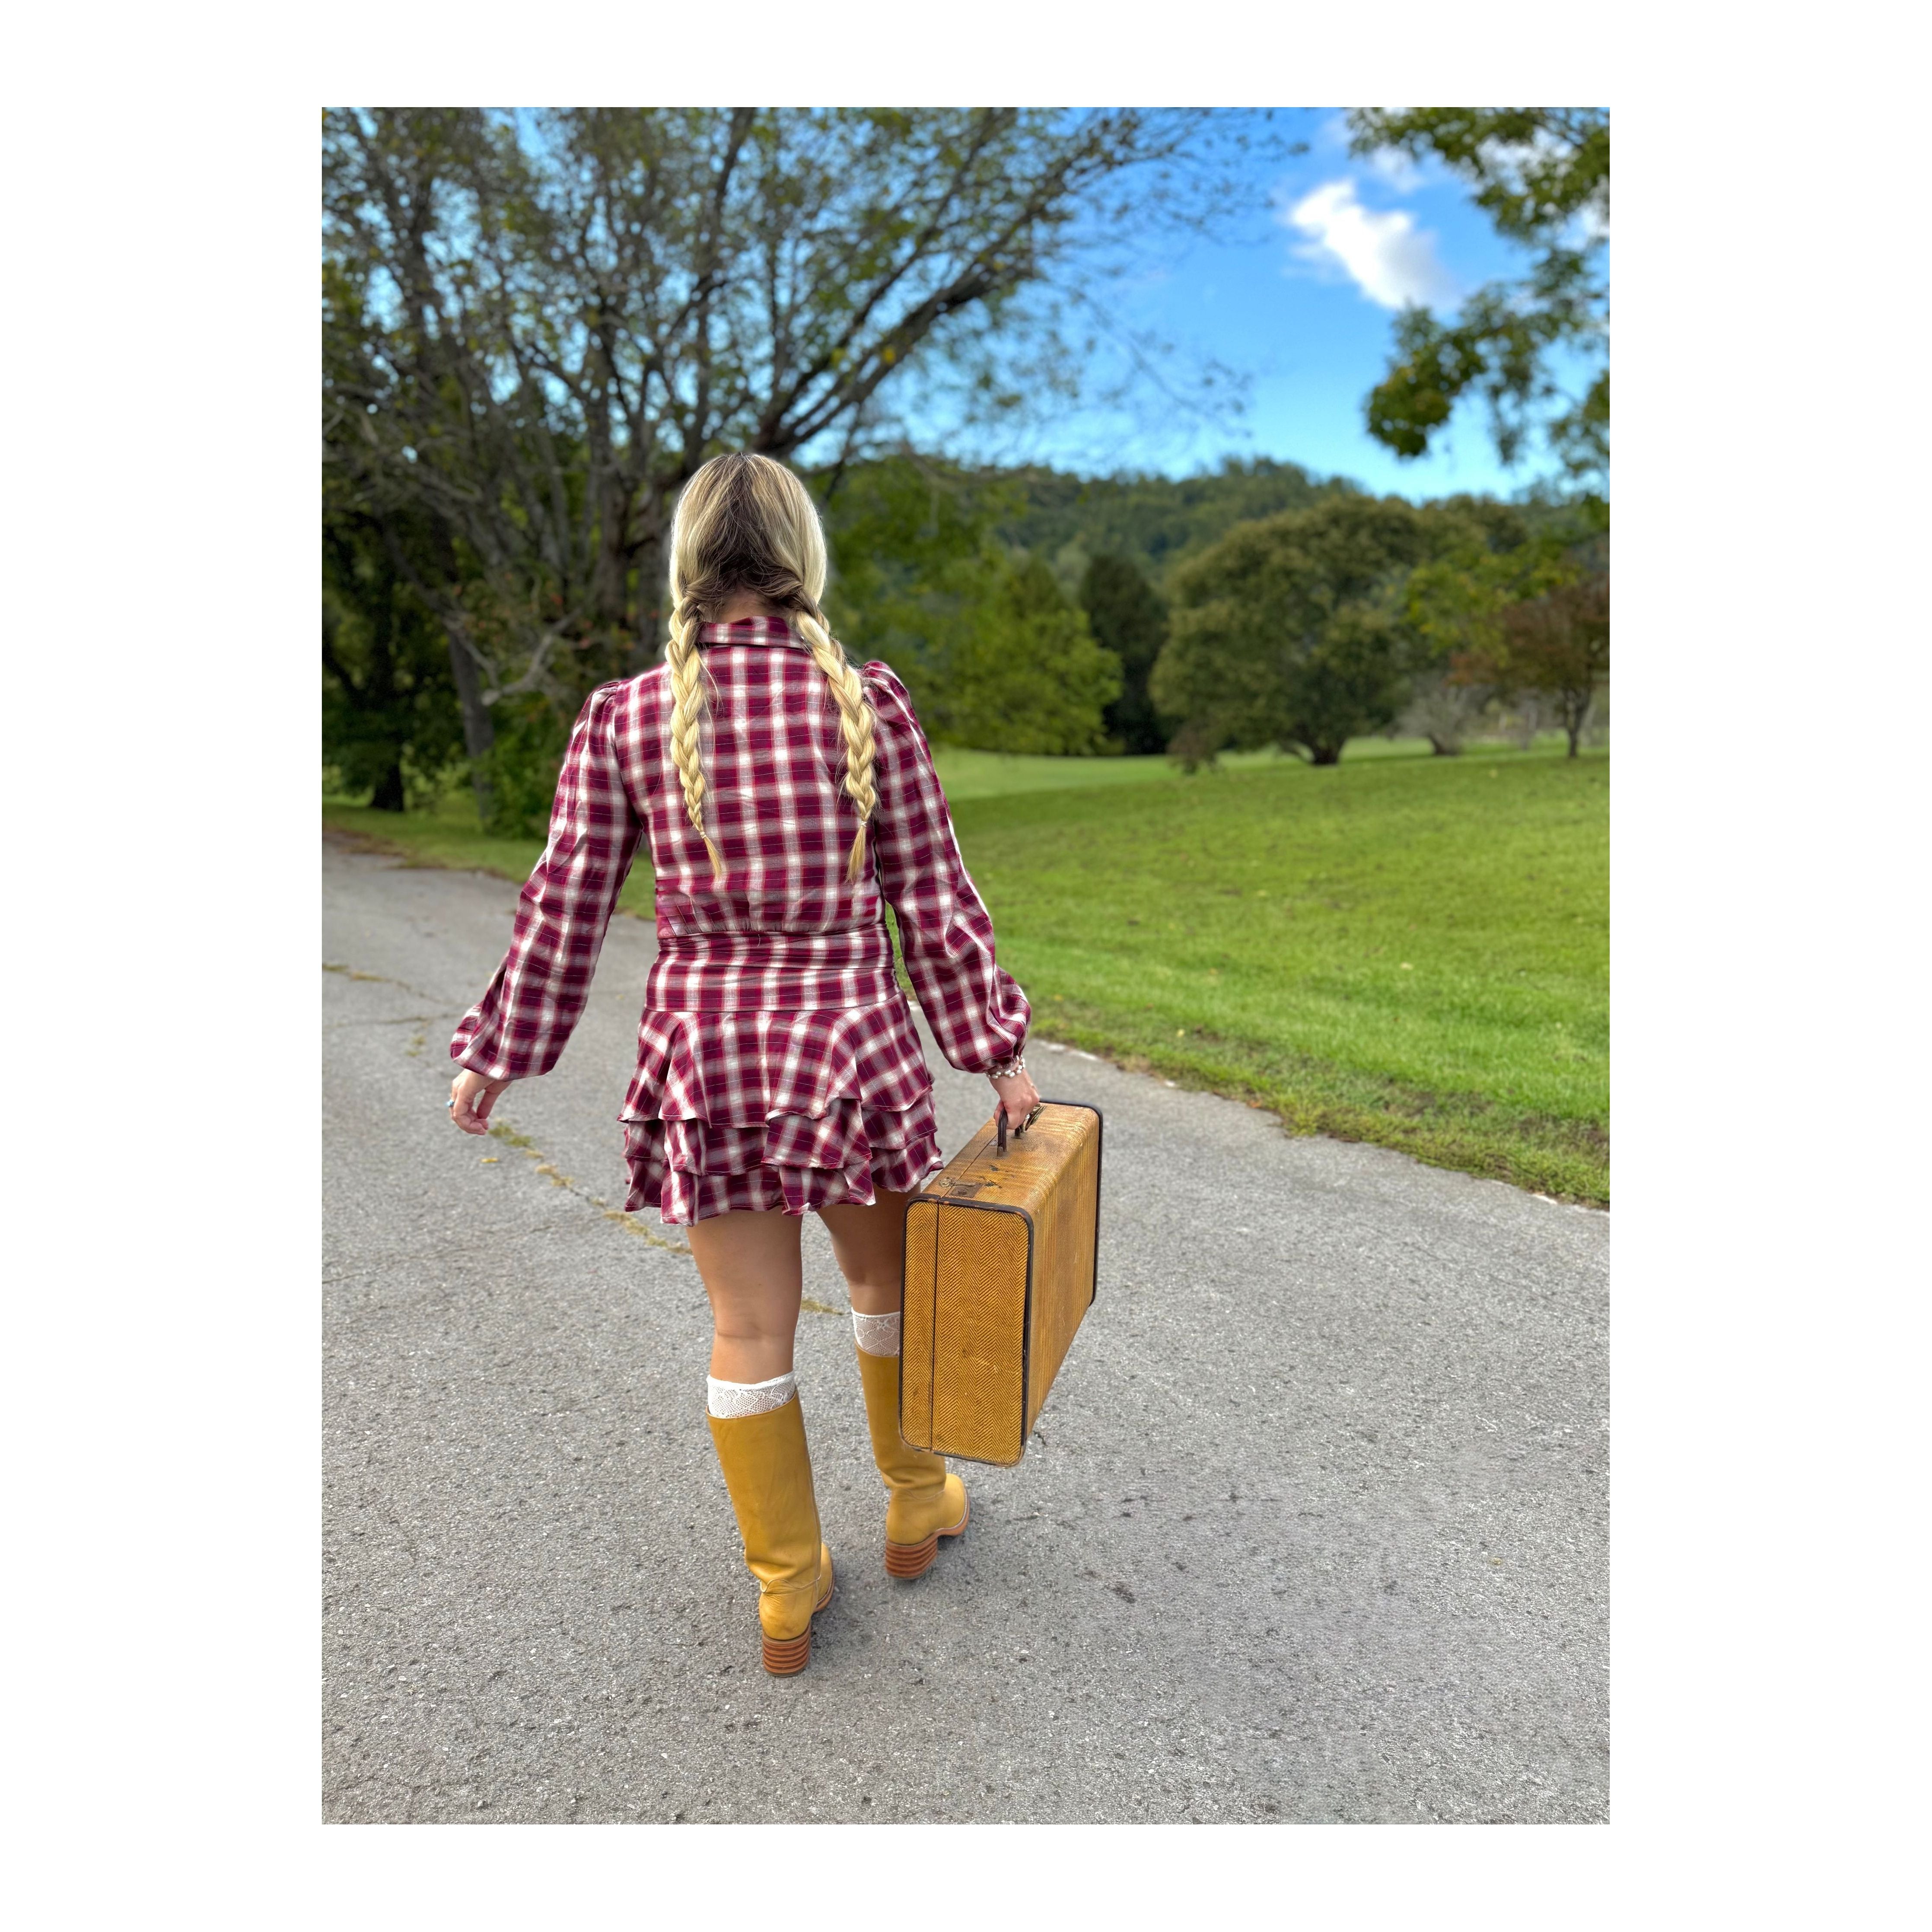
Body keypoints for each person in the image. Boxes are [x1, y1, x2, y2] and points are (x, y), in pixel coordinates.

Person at [445, 452, 1040, 1676]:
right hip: (850, 1052)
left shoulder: (626, 716)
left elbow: (561, 904)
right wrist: (996, 1052)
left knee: (748, 1325)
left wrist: (498, 1053)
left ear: (687, 569)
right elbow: (931, 897)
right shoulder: (866, 702)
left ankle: (786, 1590)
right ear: (801, 561)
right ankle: (914, 1503)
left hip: (704, 1060)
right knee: (884, 1292)